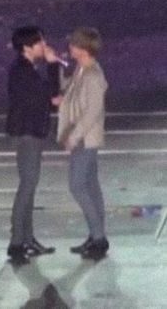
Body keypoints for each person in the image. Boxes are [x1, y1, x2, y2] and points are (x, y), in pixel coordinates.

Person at [6, 26, 60, 264]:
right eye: (39, 42)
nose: (44, 45)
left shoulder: (25, 69)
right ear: (27, 47)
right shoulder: (22, 71)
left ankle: (26, 239)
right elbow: (48, 95)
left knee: (29, 187)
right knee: (27, 187)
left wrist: (50, 98)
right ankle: (17, 242)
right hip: (28, 133)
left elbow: (46, 99)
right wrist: (53, 65)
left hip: (31, 131)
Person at [57, 27, 109, 260]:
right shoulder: (82, 70)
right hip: (85, 138)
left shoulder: (93, 76)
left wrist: (74, 136)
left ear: (83, 49)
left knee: (77, 186)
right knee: (90, 185)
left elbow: (92, 112)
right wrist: (57, 65)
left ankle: (98, 237)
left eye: (74, 45)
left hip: (86, 139)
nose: (70, 48)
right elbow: (69, 90)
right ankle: (96, 235)